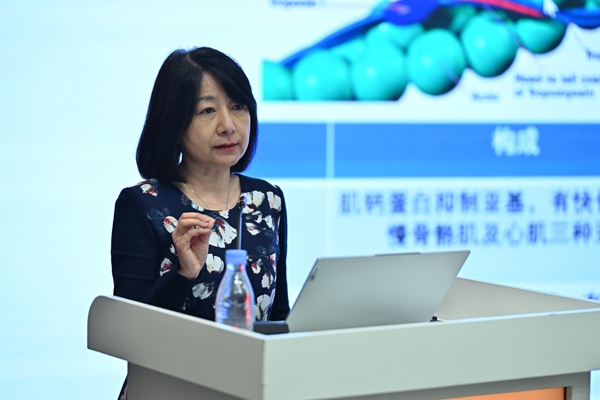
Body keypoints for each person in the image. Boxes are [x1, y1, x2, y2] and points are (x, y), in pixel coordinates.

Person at [110, 47, 290, 399]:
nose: (228, 125)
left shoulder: (267, 200)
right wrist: (183, 275)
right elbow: (129, 336)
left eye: (238, 106)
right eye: (207, 110)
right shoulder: (143, 204)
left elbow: (277, 315)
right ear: (173, 124)